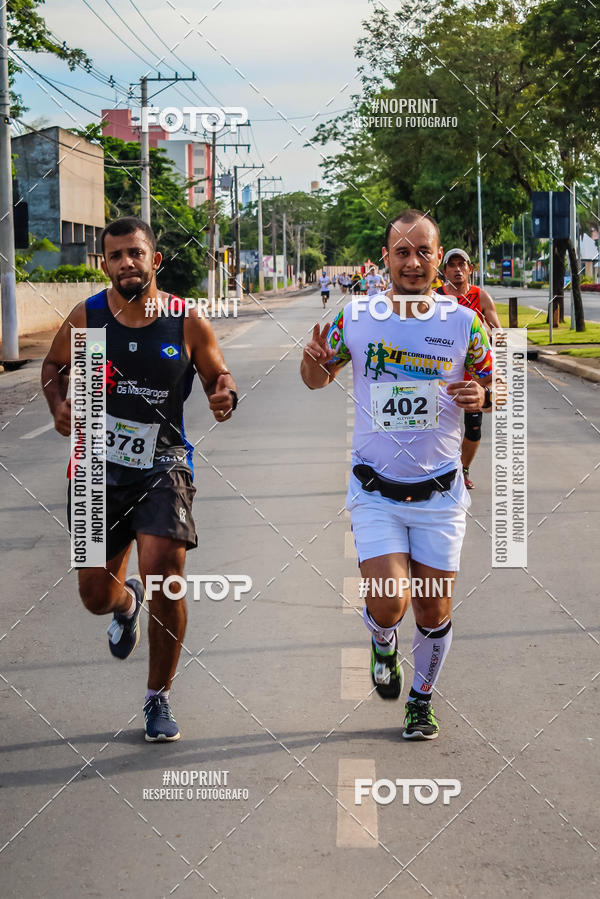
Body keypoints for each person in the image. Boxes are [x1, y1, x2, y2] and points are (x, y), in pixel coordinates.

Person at [42, 216, 238, 743]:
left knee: (164, 571)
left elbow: (217, 374)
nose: (127, 262)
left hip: (163, 462)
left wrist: (224, 394)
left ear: (154, 259)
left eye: (136, 252)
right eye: (116, 255)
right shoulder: (88, 316)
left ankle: (158, 696)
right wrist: (59, 405)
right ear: (104, 264)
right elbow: (55, 367)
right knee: (93, 594)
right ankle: (124, 605)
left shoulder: (185, 319)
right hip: (95, 469)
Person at [301, 209, 493, 740]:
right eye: (402, 252)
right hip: (376, 492)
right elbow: (317, 378)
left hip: (440, 494)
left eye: (423, 252)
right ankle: (383, 642)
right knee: (389, 601)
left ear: (438, 258)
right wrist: (314, 361)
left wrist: (483, 395)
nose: (412, 262)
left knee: (433, 610)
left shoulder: (464, 323)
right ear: (385, 257)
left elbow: (493, 387)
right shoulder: (357, 316)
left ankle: (421, 700)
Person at [436, 248, 501, 489]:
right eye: (451, 265)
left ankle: (462, 468)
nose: (457, 269)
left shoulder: (481, 296)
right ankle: (440, 469)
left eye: (461, 264)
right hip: (444, 372)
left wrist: (489, 335)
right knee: (438, 424)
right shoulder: (435, 296)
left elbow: (500, 333)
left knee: (473, 428)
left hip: (475, 375)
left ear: (470, 269)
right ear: (445, 272)